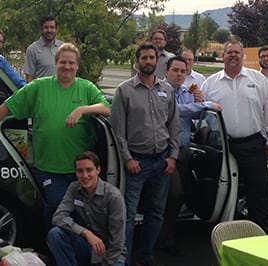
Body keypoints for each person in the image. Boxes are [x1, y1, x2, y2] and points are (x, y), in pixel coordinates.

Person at [0, 43, 111, 231]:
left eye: (71, 63)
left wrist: (82, 109)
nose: (67, 66)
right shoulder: (39, 87)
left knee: (81, 213)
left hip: (81, 169)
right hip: (51, 167)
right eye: (63, 62)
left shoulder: (86, 88)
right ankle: (52, 248)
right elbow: (9, 105)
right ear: (56, 64)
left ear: (77, 66)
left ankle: (72, 252)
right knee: (57, 210)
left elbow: (106, 109)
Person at [111, 42, 181, 265]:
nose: (149, 61)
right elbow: (118, 130)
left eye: (152, 58)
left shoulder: (166, 90)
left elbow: (174, 126)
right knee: (128, 217)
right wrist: (127, 158)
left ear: (157, 61)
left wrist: (173, 156)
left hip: (161, 162)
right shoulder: (124, 90)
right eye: (144, 58)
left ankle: (146, 255)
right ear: (137, 61)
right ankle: (126, 259)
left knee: (156, 214)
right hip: (136, 164)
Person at [201, 40, 268, 233]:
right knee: (226, 193)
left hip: (253, 145)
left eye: (237, 52)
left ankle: (262, 237)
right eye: (229, 52)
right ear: (223, 56)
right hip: (223, 147)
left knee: (259, 193)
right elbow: (201, 116)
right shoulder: (210, 83)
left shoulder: (257, 79)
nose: (233, 55)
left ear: (243, 56)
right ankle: (228, 235)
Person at [156, 56, 219, 255]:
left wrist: (200, 102)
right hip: (165, 152)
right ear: (166, 71)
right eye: (175, 70)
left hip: (184, 150)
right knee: (174, 194)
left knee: (184, 193)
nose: (179, 74)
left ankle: (168, 233)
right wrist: (205, 105)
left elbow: (194, 118)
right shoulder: (160, 92)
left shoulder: (187, 92)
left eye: (183, 71)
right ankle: (163, 240)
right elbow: (176, 111)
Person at [47, 151, 126, 266]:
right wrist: (86, 233)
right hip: (87, 245)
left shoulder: (113, 196)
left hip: (110, 253)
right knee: (55, 234)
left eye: (89, 170)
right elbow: (58, 217)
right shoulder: (74, 188)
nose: (84, 176)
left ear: (98, 170)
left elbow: (117, 242)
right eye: (80, 171)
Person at [24, 15, 63, 82]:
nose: (49, 30)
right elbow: (29, 77)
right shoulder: (33, 49)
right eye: (46, 27)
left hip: (60, 90)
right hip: (41, 91)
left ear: (56, 30)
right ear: (41, 30)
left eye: (52, 27)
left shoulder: (63, 47)